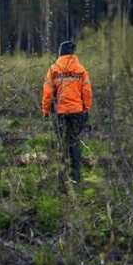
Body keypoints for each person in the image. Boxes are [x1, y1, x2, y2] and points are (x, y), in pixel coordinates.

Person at [42, 40, 92, 183]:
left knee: (62, 143)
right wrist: (86, 108)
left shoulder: (53, 69)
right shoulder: (81, 69)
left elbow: (47, 92)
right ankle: (76, 176)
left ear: (60, 52)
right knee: (74, 141)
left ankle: (62, 177)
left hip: (60, 113)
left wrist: (45, 110)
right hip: (77, 112)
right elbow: (87, 91)